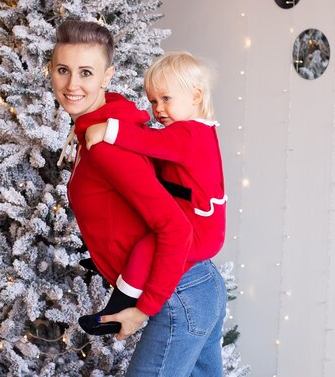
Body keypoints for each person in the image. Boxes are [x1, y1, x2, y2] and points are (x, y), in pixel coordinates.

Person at [50, 19, 227, 376]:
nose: (72, 85)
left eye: (86, 72)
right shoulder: (98, 128)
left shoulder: (107, 143)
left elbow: (175, 228)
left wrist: (142, 309)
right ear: (50, 71)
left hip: (182, 293)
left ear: (107, 76)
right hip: (197, 284)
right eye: (63, 70)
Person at [80, 52, 228, 339]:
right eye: (153, 101)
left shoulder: (188, 134)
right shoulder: (189, 132)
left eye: (166, 99)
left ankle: (123, 308)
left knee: (148, 249)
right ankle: (122, 282)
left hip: (201, 230)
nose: (158, 109)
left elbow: (150, 142)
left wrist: (108, 129)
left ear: (195, 96)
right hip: (201, 224)